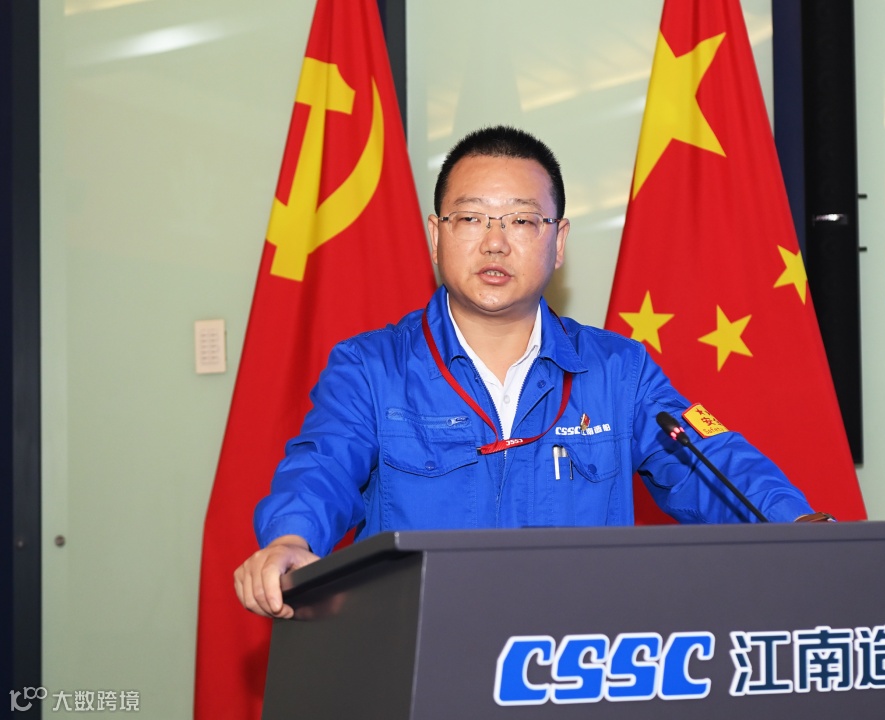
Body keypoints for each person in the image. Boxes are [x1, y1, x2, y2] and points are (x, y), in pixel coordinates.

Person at [235, 126, 827, 619]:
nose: (495, 244)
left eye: (521, 222)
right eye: (471, 219)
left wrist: (798, 524)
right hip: (422, 653)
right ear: (436, 235)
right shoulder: (370, 368)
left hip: (575, 666)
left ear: (558, 241)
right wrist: (290, 538)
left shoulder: (620, 371)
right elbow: (321, 467)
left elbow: (709, 456)